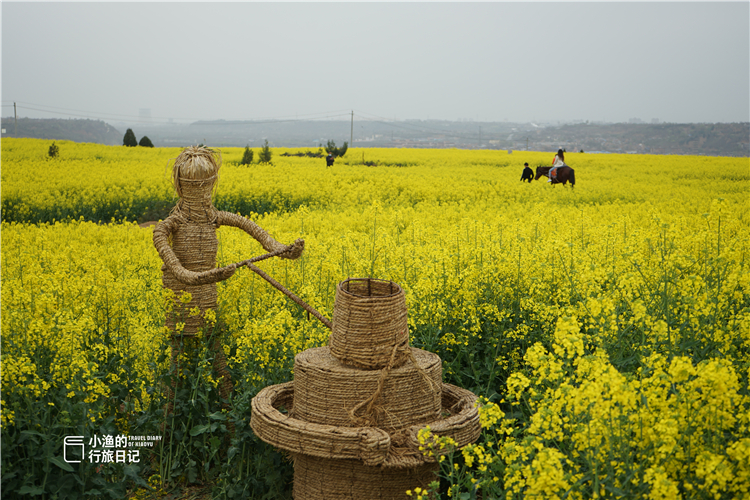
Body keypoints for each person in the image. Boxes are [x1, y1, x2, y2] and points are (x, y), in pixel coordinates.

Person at [153, 146, 304, 413]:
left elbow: (253, 229)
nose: (201, 191)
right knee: (176, 369)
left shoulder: (215, 218)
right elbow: (170, 258)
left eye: (204, 185)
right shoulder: (171, 224)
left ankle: (229, 419)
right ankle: (167, 431)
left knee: (219, 366)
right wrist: (193, 275)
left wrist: (282, 249)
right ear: (181, 186)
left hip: (208, 300)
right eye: (195, 185)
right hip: (181, 301)